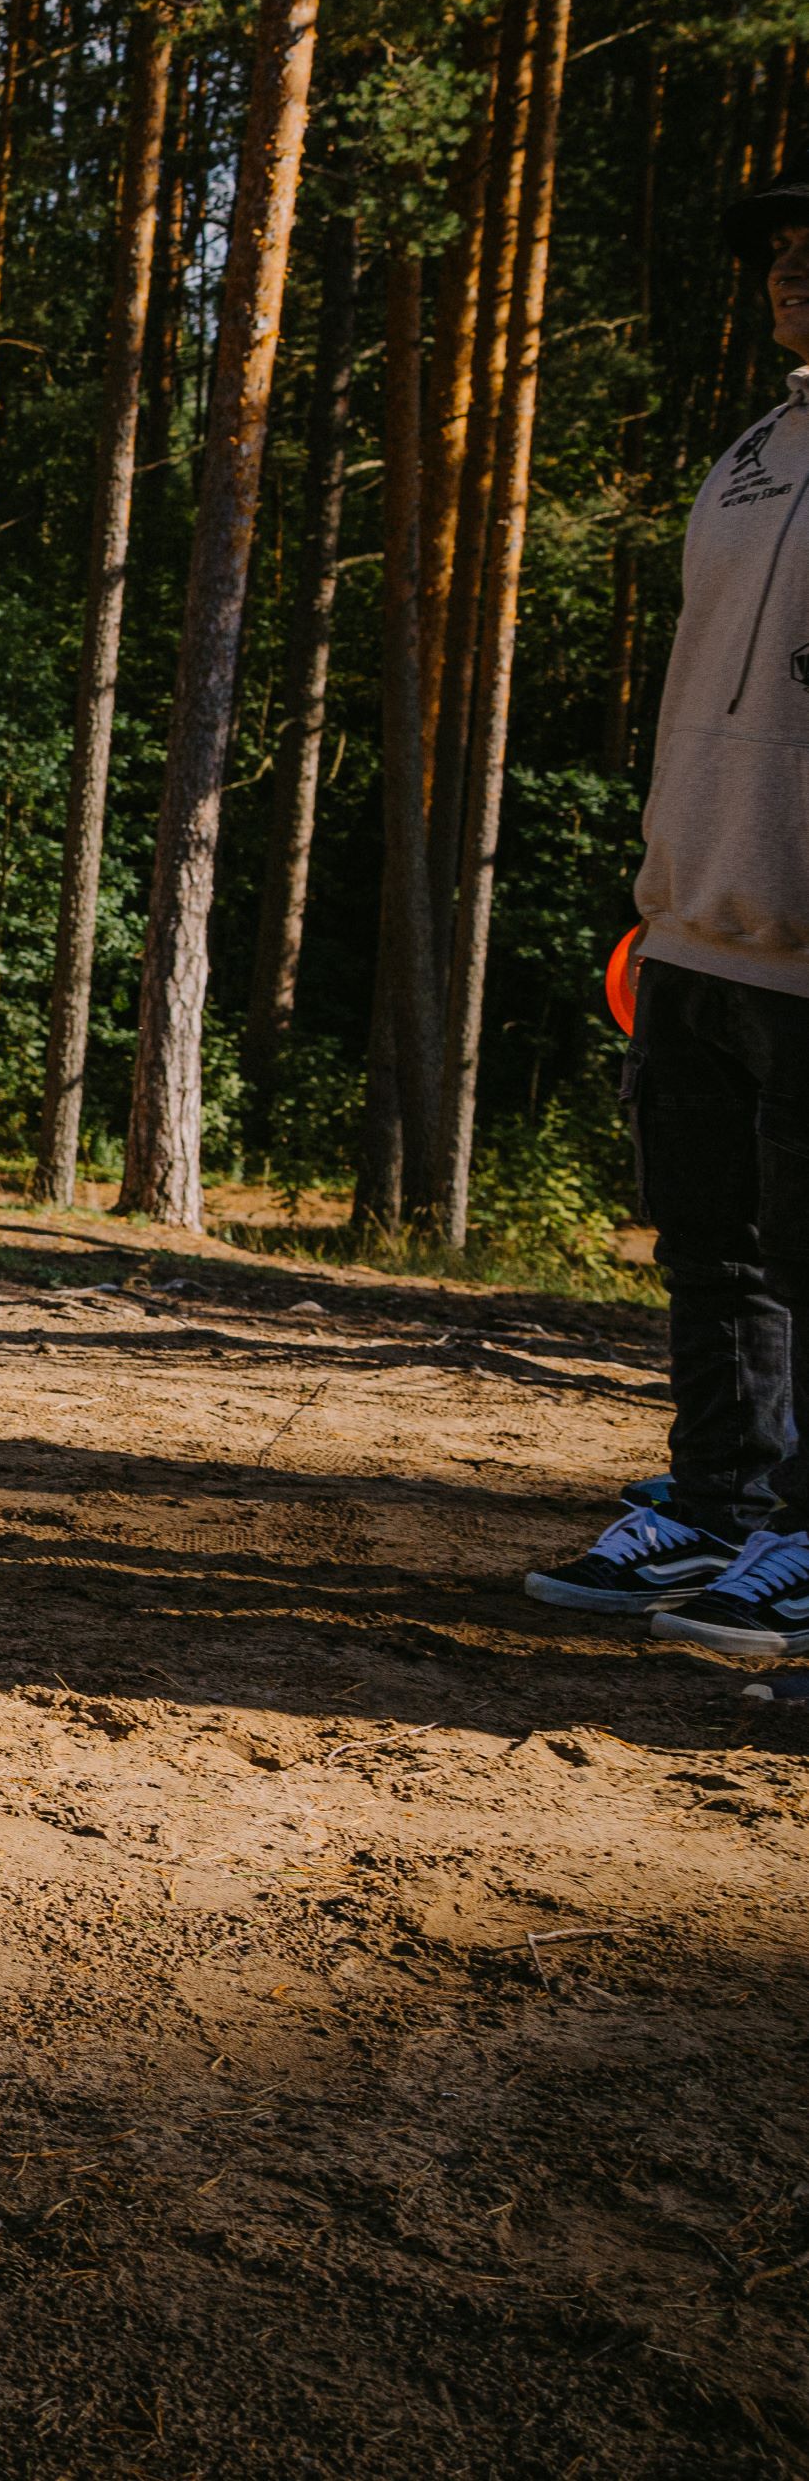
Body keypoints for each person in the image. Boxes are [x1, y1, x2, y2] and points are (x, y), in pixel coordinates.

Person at [524, 182, 809, 1658]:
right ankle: (722, 1500)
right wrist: (661, 888)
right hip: (698, 923)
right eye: (775, 249)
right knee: (713, 1246)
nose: (788, 269)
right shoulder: (754, 453)